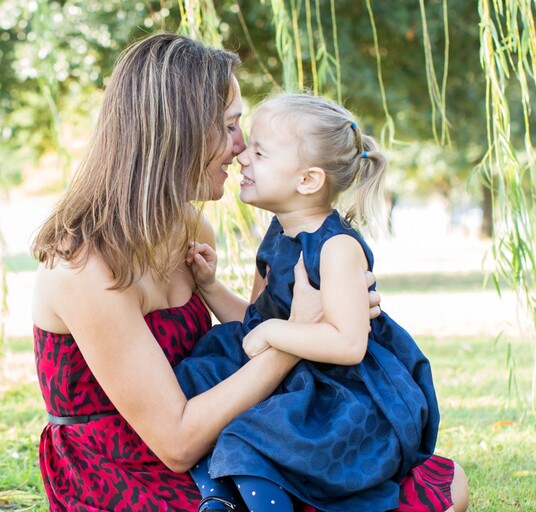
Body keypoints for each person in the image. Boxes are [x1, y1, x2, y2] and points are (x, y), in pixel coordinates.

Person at [30, 33, 468, 512]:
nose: (241, 149)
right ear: (177, 132)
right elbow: (176, 442)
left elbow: (248, 336)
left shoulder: (189, 230)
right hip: (122, 468)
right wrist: (297, 334)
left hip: (214, 437)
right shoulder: (84, 267)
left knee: (443, 483)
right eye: (230, 126)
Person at [174, 92, 453, 512]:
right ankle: (218, 493)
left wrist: (274, 332)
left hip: (337, 392)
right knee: (197, 377)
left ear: (308, 180)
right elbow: (254, 325)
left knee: (256, 433)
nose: (242, 157)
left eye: (260, 151)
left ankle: (259, 503)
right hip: (288, 376)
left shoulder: (337, 247)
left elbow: (347, 343)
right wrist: (211, 287)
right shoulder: (276, 235)